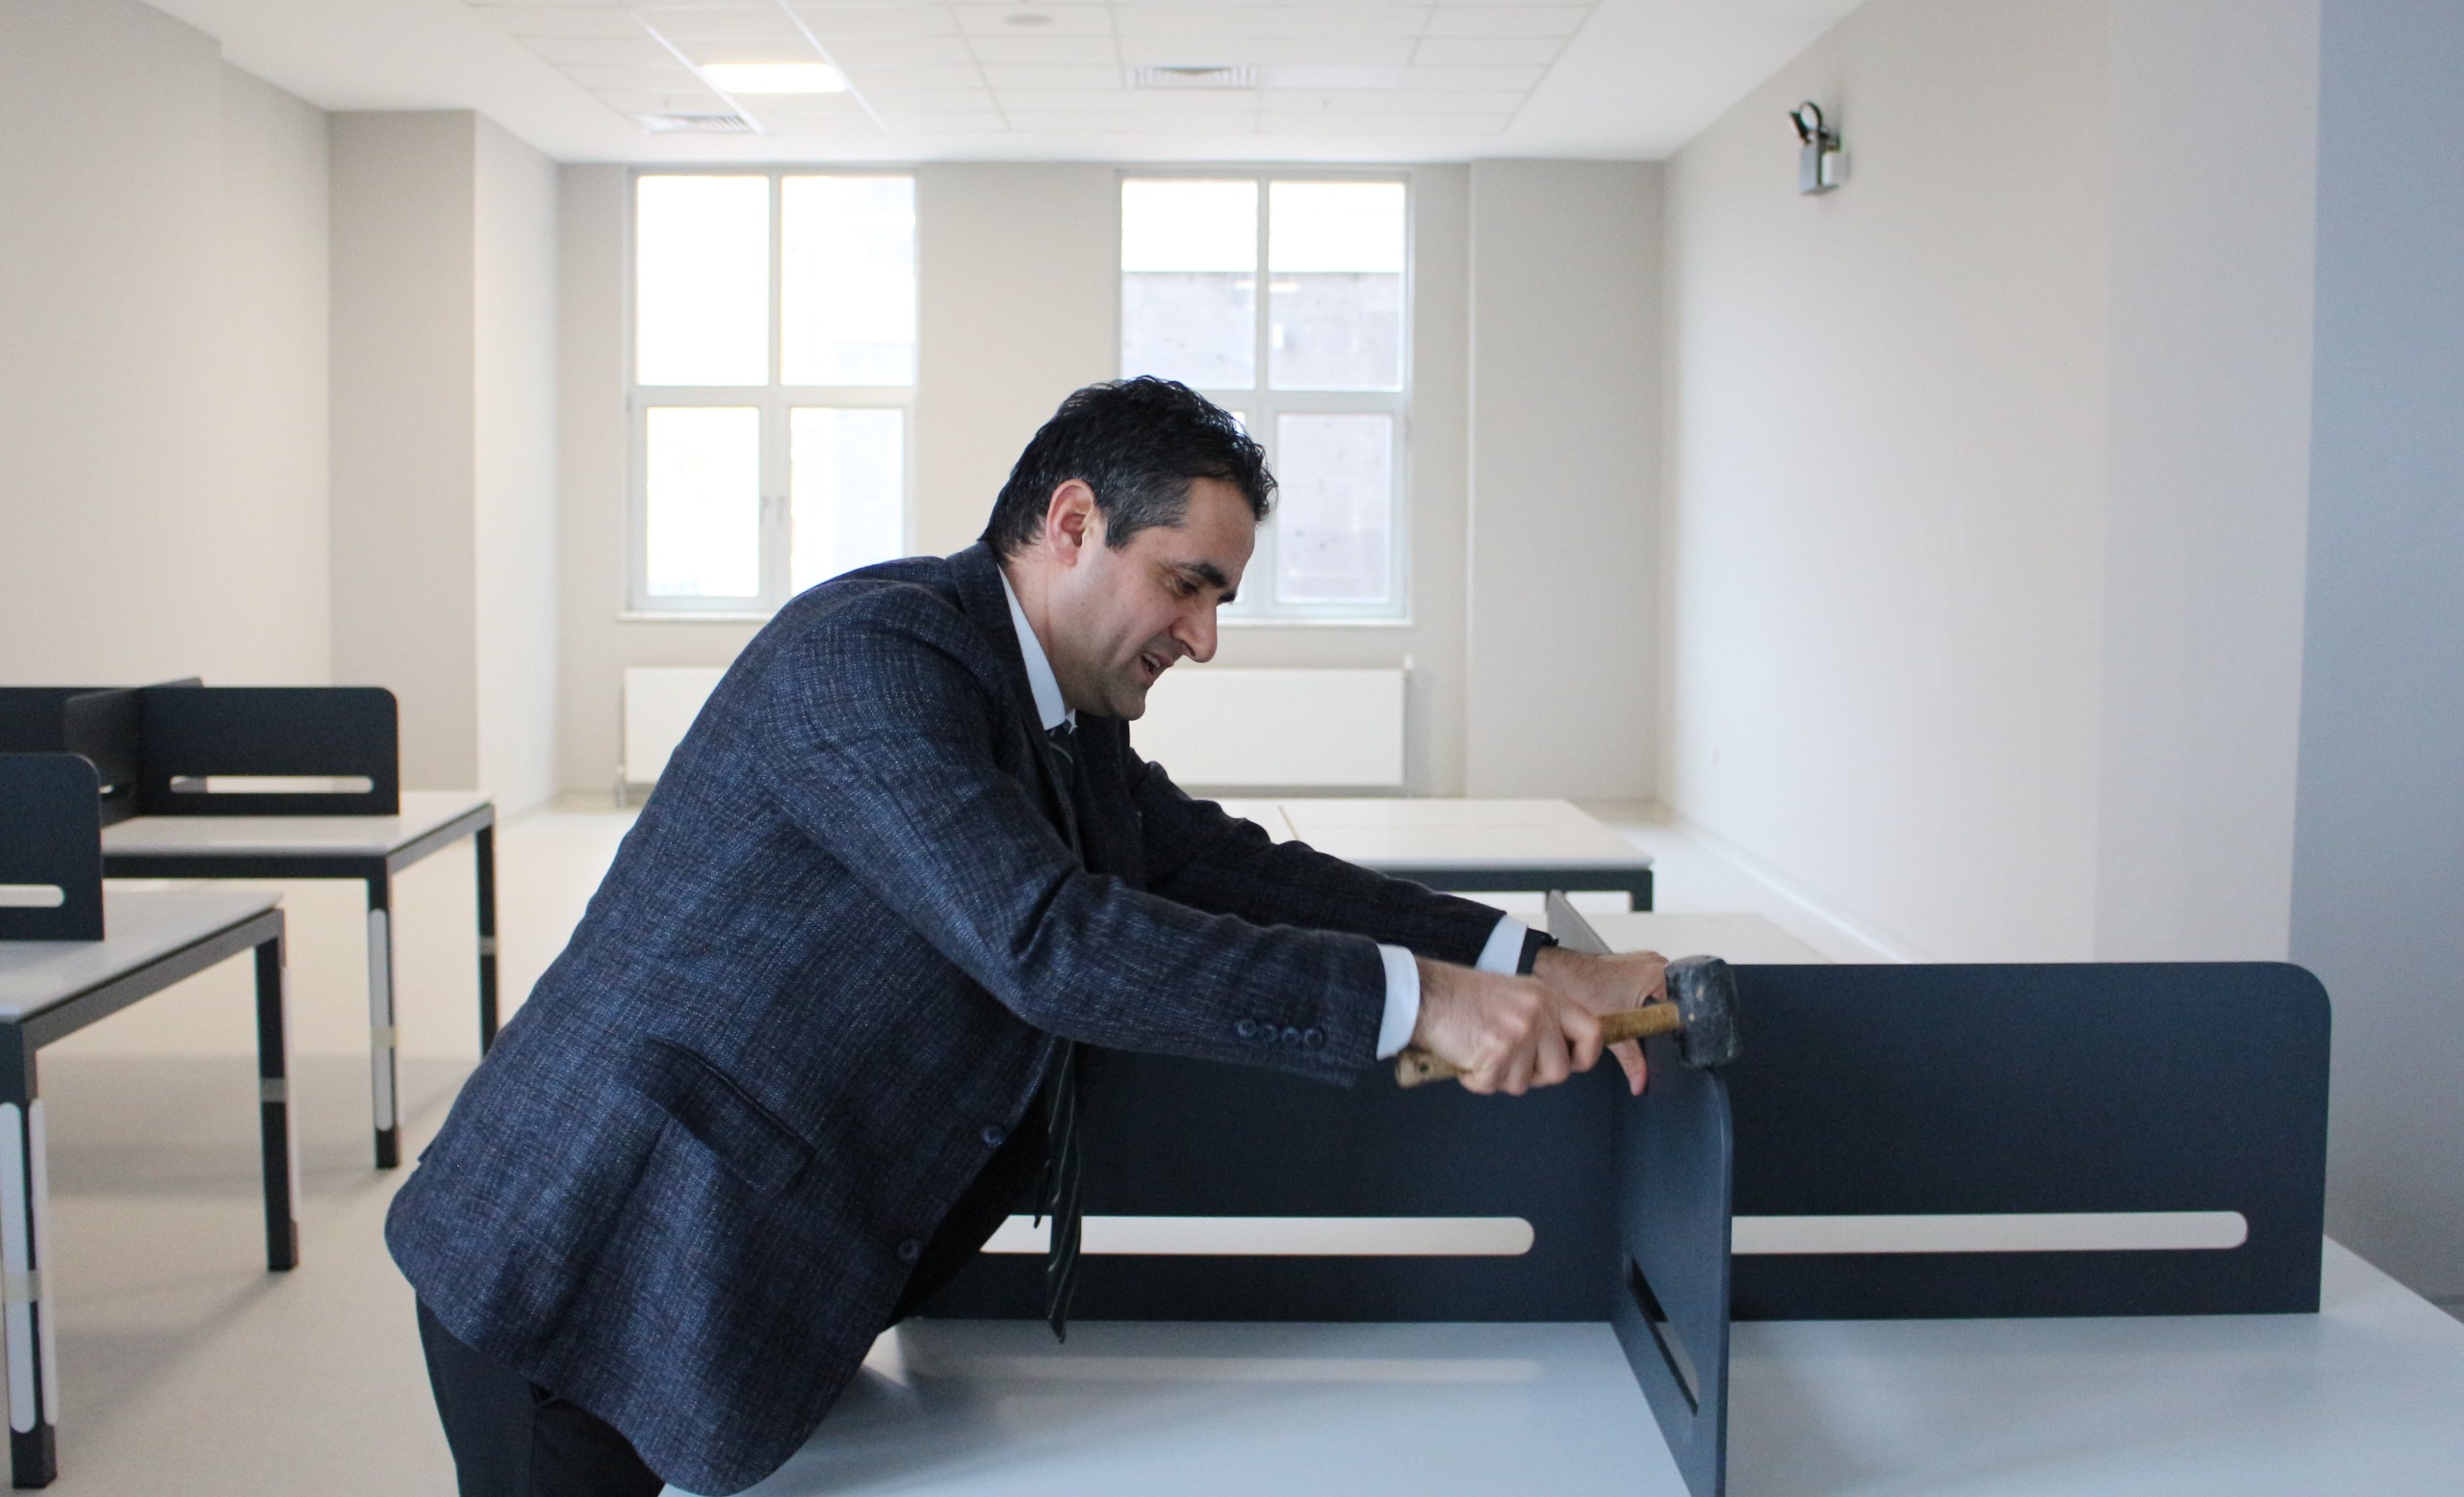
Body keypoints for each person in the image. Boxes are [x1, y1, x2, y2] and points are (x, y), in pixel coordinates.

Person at [387, 376, 1668, 1497]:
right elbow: (1049, 940)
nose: (1204, 638)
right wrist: (1418, 1001)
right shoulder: (871, 656)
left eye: (1218, 599)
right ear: (1070, 524)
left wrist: (1525, 960)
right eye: (1186, 584)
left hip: (737, 1261)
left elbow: (1223, 864)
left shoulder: (1058, 712)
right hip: (589, 1255)